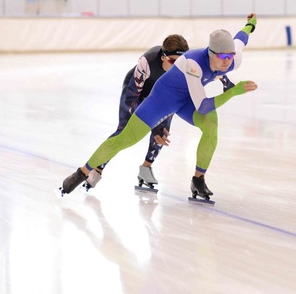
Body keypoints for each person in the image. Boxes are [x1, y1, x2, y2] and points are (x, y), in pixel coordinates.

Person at [61, 13, 258, 199]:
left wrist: (250, 24)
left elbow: (241, 39)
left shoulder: (234, 59)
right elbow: (204, 106)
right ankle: (82, 172)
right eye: (223, 57)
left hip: (187, 100)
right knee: (125, 139)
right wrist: (233, 91)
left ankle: (198, 180)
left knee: (211, 124)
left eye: (230, 56)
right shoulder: (194, 63)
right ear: (210, 53)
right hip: (163, 99)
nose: (227, 62)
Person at [84, 34, 235, 191]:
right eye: (172, 61)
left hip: (166, 94)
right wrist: (152, 125)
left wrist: (227, 82)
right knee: (124, 131)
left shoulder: (189, 66)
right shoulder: (146, 63)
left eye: (180, 62)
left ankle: (146, 168)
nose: (177, 66)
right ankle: (97, 169)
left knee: (162, 133)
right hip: (139, 91)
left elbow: (213, 69)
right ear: (163, 57)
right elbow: (132, 99)